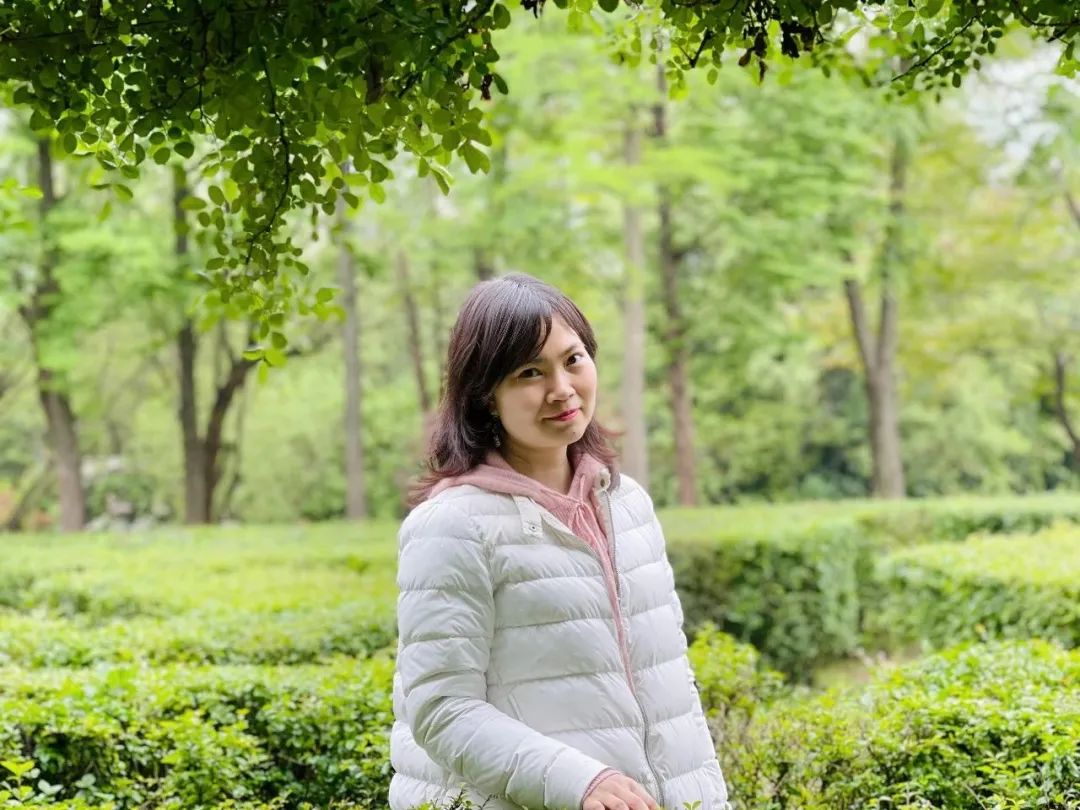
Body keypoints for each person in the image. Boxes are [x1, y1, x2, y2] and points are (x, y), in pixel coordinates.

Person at [389, 272, 731, 810]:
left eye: (573, 359)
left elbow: (671, 689)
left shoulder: (627, 504)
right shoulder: (452, 525)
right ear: (485, 394)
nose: (562, 388)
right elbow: (442, 710)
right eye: (530, 372)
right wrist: (580, 782)